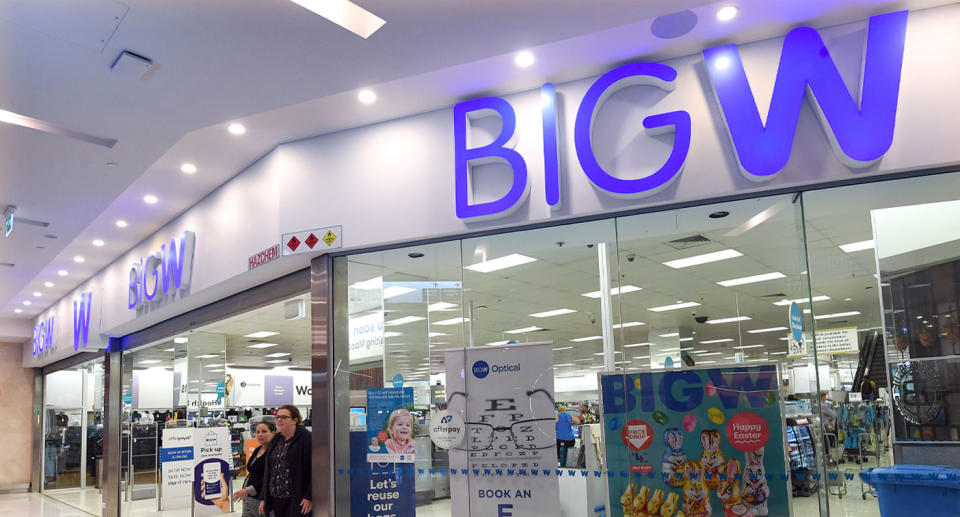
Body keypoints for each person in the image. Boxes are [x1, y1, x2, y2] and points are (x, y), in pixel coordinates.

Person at [260, 405, 312, 516]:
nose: (279, 420)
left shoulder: (306, 439)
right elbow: (269, 471)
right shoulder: (276, 439)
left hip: (297, 499)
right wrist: (264, 498)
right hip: (276, 499)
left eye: (284, 417)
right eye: (277, 417)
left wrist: (309, 496)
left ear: (295, 420)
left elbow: (315, 470)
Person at [232, 420, 275, 517]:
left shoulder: (274, 452)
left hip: (263, 499)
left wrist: (247, 490)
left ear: (273, 433)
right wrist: (245, 491)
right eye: (258, 432)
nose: (260, 435)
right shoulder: (258, 449)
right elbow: (251, 474)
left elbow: (268, 477)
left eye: (264, 431)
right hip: (250, 498)